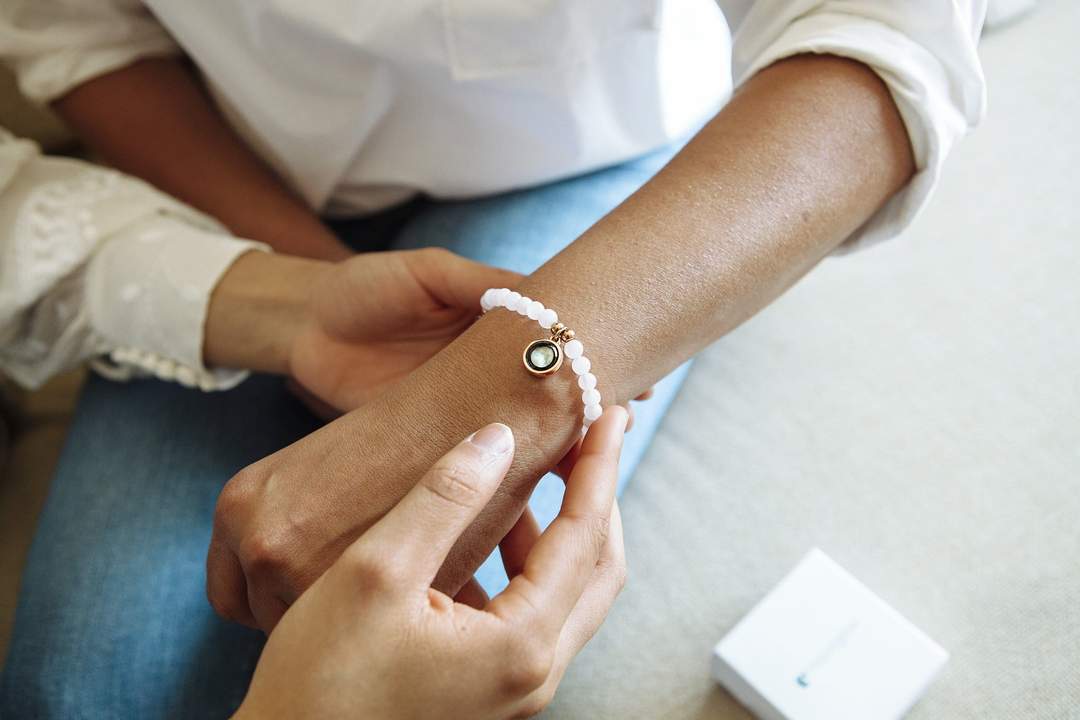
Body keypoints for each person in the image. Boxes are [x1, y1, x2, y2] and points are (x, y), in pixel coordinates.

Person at [0, 1, 987, 716]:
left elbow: (886, 37)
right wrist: (299, 295)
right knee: (78, 689)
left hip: (586, 153)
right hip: (222, 162)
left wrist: (494, 387)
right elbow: (82, 29)